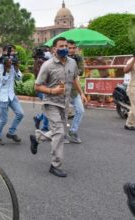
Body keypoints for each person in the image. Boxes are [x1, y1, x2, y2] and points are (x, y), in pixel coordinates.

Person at [29, 37, 87, 177]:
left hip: (64, 103)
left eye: (66, 46)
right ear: (54, 49)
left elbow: (74, 79)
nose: (65, 48)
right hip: (51, 103)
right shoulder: (47, 65)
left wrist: (81, 93)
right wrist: (52, 91)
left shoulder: (72, 62)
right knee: (60, 133)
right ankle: (55, 165)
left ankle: (37, 137)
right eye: (61, 46)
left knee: (59, 133)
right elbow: (37, 86)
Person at [0, 44, 24, 145]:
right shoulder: (0, 66)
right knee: (4, 119)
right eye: (10, 51)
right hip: (2, 96)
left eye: (14, 51)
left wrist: (17, 68)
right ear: (4, 52)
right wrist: (7, 68)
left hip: (11, 95)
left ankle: (11, 132)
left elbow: (19, 78)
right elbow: (3, 80)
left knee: (20, 114)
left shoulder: (14, 64)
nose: (12, 53)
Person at [67, 39, 85, 143]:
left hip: (74, 89)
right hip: (61, 90)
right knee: (61, 114)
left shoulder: (78, 58)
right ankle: (60, 135)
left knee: (80, 110)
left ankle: (73, 131)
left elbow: (81, 71)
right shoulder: (60, 58)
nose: (72, 50)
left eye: (74, 48)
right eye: (70, 48)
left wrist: (74, 67)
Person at [32, 47, 50, 132]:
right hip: (41, 89)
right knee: (48, 108)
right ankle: (45, 127)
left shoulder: (42, 62)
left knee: (48, 107)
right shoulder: (39, 63)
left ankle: (38, 118)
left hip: (45, 88)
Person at [123, 54, 135, 130]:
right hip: (133, 87)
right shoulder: (131, 60)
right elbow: (125, 70)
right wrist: (134, 59)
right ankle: (129, 123)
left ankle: (129, 123)